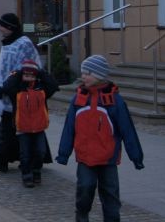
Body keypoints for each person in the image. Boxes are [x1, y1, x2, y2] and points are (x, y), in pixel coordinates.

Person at [56, 55, 144, 222]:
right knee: (85, 189)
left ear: (99, 75)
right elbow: (69, 128)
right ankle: (81, 215)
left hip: (108, 158)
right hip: (85, 157)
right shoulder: (78, 99)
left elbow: (127, 130)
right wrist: (63, 153)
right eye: (83, 73)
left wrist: (136, 156)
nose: (83, 76)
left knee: (110, 195)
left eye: (87, 73)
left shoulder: (114, 100)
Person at [0, 13, 41, 173]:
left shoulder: (24, 43)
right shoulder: (9, 42)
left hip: (19, 93)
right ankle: (8, 159)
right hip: (8, 92)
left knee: (21, 128)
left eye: (2, 25)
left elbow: (25, 68)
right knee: (13, 127)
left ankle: (4, 159)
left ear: (10, 27)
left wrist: (10, 87)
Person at [0, 59, 58, 187]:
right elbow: (6, 86)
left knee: (40, 152)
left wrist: (40, 72)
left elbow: (54, 85)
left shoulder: (42, 89)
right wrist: (19, 73)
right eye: (26, 75)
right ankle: (27, 176)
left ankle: (36, 171)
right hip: (23, 128)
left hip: (39, 127)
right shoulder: (17, 90)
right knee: (25, 154)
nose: (28, 77)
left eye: (32, 75)